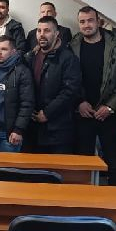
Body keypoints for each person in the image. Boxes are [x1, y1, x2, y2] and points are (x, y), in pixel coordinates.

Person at [71, 5, 116, 186]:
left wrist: (110, 106)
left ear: (99, 22)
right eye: (82, 22)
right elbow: (69, 80)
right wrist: (79, 103)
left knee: (113, 162)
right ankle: (83, 198)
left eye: (90, 20)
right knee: (83, 161)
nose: (86, 25)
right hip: (83, 113)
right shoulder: (72, 46)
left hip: (109, 113)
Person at [24, 16, 81, 153]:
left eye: (47, 30)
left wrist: (48, 113)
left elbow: (70, 91)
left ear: (56, 34)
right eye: (39, 30)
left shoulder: (68, 58)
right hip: (33, 128)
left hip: (58, 130)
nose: (42, 34)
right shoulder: (31, 56)